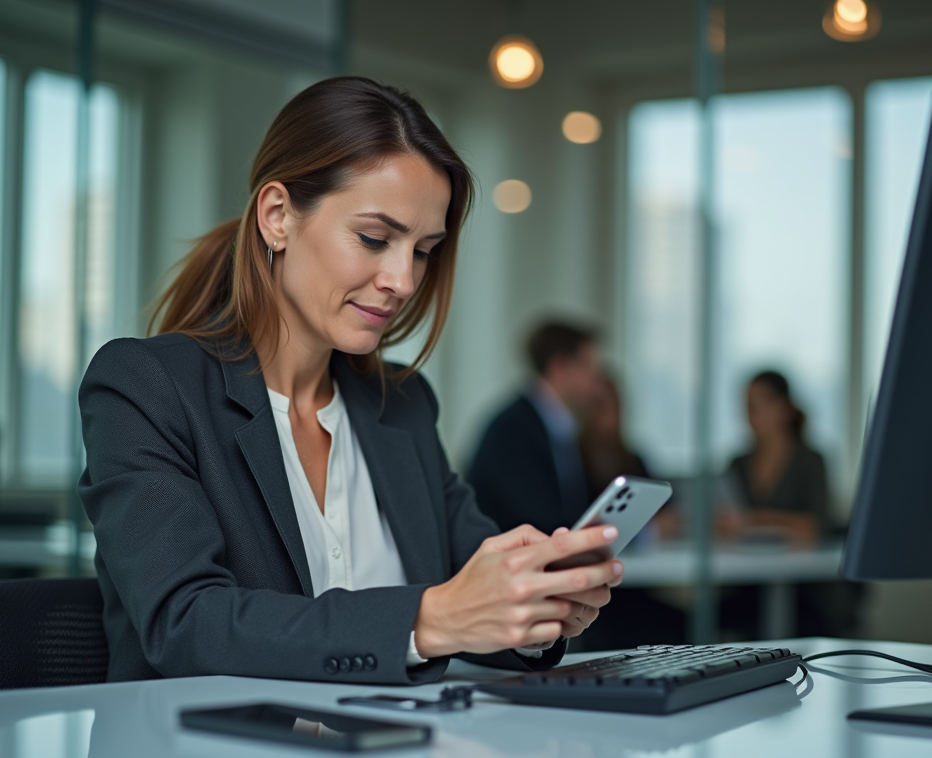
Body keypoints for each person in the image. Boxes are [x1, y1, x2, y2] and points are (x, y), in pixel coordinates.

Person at [77, 77, 623, 686]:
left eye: (423, 250)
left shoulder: (402, 405)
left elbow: (472, 595)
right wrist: (429, 618)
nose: (404, 280)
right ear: (278, 216)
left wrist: (531, 611)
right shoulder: (146, 388)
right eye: (375, 238)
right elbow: (185, 624)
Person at [716, 370, 852, 640]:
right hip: (749, 585)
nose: (751, 413)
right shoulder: (738, 463)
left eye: (759, 403)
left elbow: (814, 527)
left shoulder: (810, 460)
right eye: (747, 405)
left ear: (784, 407)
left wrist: (753, 521)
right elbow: (727, 526)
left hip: (805, 591)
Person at [573, 372, 687, 650]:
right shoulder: (572, 460)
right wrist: (648, 529)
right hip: (599, 583)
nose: (610, 415)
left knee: (679, 623)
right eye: (600, 406)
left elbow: (667, 510)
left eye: (616, 405)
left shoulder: (633, 458)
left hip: (636, 581)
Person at [469, 321, 604, 534]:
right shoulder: (512, 431)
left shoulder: (558, 426)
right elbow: (539, 519)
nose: (596, 378)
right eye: (588, 366)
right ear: (560, 368)